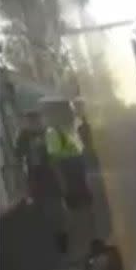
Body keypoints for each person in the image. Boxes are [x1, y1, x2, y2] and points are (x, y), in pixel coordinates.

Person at [42, 98, 99, 255]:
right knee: (77, 211)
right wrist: (63, 183)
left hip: (76, 172)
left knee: (86, 207)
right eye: (68, 110)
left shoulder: (68, 129)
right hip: (68, 174)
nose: (71, 113)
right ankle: (75, 245)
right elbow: (55, 161)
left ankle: (92, 242)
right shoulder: (53, 133)